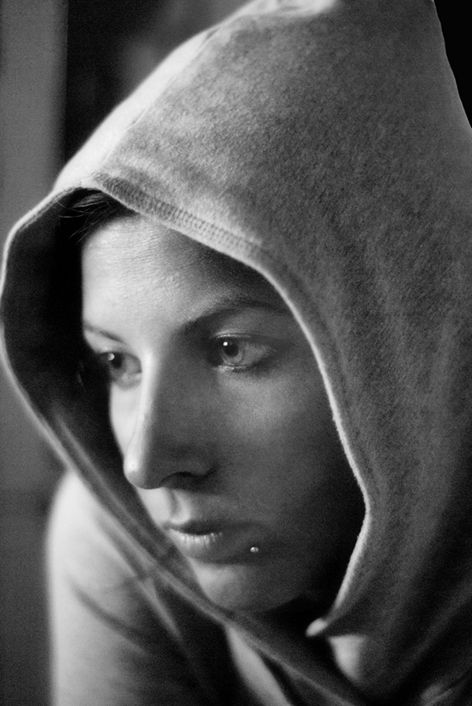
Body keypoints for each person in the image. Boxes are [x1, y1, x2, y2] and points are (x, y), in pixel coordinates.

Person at [2, 0, 472, 703]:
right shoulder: (120, 538)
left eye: (229, 350)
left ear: (415, 343)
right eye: (117, 363)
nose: (146, 464)